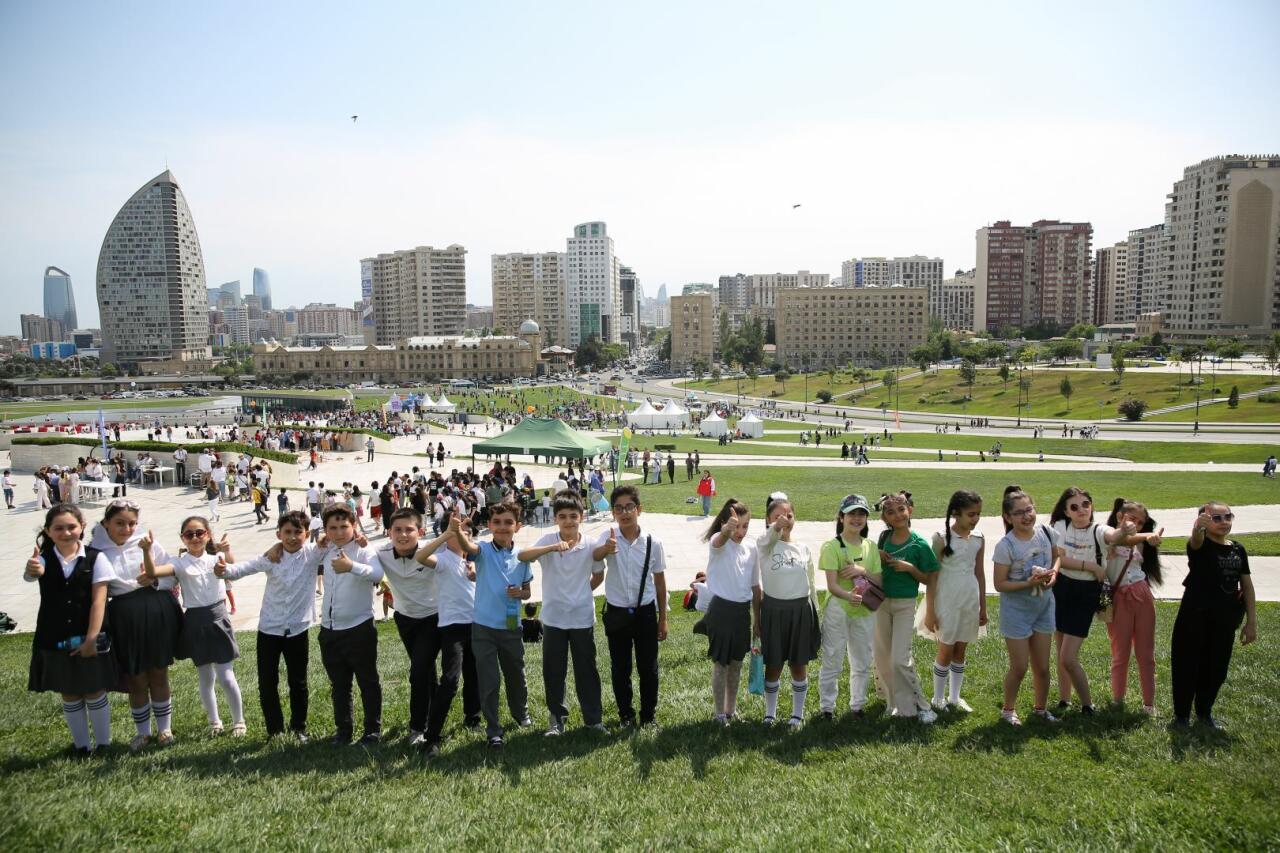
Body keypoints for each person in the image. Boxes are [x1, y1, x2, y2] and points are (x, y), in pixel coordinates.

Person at [1048, 486, 1158, 715]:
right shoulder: (1061, 527)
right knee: (1064, 650)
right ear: (1066, 511)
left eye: (1086, 504)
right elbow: (1059, 558)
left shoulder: (1100, 530)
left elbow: (1117, 537)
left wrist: (1133, 532)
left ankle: (1092, 705)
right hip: (1067, 590)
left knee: (1069, 656)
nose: (1081, 509)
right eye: (1074, 507)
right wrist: (1091, 566)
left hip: (1094, 593)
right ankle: (1067, 699)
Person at [24, 503, 118, 756]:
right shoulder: (42, 559)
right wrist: (33, 569)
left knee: (94, 689)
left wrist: (91, 639)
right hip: (54, 635)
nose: (66, 533)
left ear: (82, 527)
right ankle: (81, 746)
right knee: (69, 691)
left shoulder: (96, 558)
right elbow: (31, 573)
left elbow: (99, 601)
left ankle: (103, 744)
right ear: (48, 531)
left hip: (90, 634)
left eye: (71, 527)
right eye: (59, 528)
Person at [91, 499, 183, 750]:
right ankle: (143, 732)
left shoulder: (148, 543)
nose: (127, 529)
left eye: (132, 523)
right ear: (106, 523)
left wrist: (154, 579)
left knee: (159, 672)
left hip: (155, 609)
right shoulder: (96, 551)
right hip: (124, 616)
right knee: (136, 677)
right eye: (120, 523)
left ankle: (164, 729)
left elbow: (172, 574)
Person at [216, 510, 317, 741]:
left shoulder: (313, 554)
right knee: (267, 683)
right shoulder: (272, 557)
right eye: (287, 532)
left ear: (307, 533)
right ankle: (275, 730)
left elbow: (336, 539)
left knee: (298, 681)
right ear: (278, 534)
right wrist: (223, 569)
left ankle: (299, 728)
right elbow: (242, 569)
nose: (292, 537)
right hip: (269, 629)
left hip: (298, 630)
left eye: (298, 532)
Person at [139, 518, 245, 737]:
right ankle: (214, 721)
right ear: (183, 538)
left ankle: (239, 721)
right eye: (189, 534)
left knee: (226, 676)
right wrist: (147, 551)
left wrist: (227, 551)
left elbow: (231, 567)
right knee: (206, 678)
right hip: (195, 622)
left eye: (199, 533)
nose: (195, 538)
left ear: (208, 534)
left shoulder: (216, 558)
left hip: (219, 618)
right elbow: (153, 572)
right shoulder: (179, 563)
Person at [518, 490, 605, 736]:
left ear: (582, 517)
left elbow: (598, 575)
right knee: (554, 671)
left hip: (582, 617)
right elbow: (523, 556)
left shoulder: (591, 545)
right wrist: (552, 548)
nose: (569, 521)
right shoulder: (548, 540)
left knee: (587, 670)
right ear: (555, 519)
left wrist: (581, 592)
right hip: (554, 618)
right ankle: (557, 720)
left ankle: (593, 720)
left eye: (573, 516)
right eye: (563, 516)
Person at [1170, 502, 1258, 730]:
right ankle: (1181, 716)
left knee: (1217, 668)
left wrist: (1251, 622)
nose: (1223, 522)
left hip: (1224, 620)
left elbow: (1247, 586)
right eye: (1216, 518)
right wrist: (1198, 527)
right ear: (1204, 521)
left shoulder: (1238, 549)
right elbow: (1195, 541)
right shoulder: (1200, 546)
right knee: (1187, 665)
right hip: (1194, 617)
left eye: (1228, 516)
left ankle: (1204, 713)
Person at [457, 499, 532, 748]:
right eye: (497, 522)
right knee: (489, 681)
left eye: (508, 522)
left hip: (511, 627)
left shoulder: (522, 557)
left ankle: (521, 713)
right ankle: (493, 730)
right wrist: (457, 532)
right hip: (483, 628)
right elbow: (467, 546)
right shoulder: (482, 550)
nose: (502, 527)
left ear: (517, 526)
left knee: (516, 675)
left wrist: (520, 594)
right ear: (489, 525)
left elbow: (527, 592)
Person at [593, 485, 668, 728]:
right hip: (617, 612)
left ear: (639, 509)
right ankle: (626, 714)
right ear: (613, 512)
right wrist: (605, 549)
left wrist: (663, 618)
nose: (624, 512)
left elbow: (660, 582)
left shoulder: (653, 542)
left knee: (649, 668)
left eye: (629, 507)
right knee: (620, 668)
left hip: (645, 612)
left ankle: (648, 715)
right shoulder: (608, 537)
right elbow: (594, 556)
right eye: (619, 508)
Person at [308, 505, 384, 744]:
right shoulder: (325, 548)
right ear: (325, 529)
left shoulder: (363, 549)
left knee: (367, 681)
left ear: (354, 526)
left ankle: (372, 730)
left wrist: (351, 566)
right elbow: (300, 554)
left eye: (344, 527)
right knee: (339, 685)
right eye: (333, 528)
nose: (339, 532)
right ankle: (343, 730)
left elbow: (377, 574)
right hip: (329, 629)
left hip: (359, 627)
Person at [413, 509, 482, 756]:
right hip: (452, 628)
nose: (463, 535)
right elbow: (420, 556)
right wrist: (446, 534)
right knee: (450, 680)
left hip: (476, 625)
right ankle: (432, 736)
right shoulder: (443, 559)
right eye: (457, 532)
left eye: (467, 532)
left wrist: (475, 572)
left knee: (475, 676)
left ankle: (473, 718)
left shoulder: (473, 561)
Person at [992, 486, 1063, 725]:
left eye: (1029, 510)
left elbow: (1057, 556)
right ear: (1007, 517)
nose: (1026, 516)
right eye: (1019, 513)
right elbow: (1000, 584)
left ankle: (1040, 709)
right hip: (1017, 613)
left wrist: (1054, 573)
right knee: (1020, 667)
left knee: (1042, 667)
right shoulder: (1006, 546)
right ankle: (1008, 710)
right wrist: (1027, 583)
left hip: (1043, 608)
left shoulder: (1046, 532)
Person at [917, 490, 985, 712]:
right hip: (946, 601)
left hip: (969, 600)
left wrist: (983, 607)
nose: (975, 519)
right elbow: (932, 577)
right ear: (956, 513)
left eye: (978, 514)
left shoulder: (979, 538)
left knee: (961, 649)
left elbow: (979, 573)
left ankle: (955, 697)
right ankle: (938, 698)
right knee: (945, 650)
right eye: (971, 514)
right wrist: (930, 611)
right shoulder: (941, 539)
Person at [754, 492, 819, 728]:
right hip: (774, 611)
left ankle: (797, 714)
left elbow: (811, 583)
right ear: (768, 520)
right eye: (778, 516)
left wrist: (815, 612)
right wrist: (775, 528)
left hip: (800, 611)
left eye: (789, 516)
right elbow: (766, 539)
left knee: (798, 664)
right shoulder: (765, 545)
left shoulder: (803, 548)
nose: (785, 520)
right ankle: (770, 714)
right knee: (773, 665)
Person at [874, 491, 939, 723]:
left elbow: (930, 579)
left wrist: (910, 568)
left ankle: (922, 706)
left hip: (904, 604)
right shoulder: (884, 538)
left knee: (900, 659)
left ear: (909, 510)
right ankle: (895, 703)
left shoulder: (919, 544)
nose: (897, 515)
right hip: (881, 603)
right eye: (890, 512)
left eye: (901, 509)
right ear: (885, 518)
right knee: (883, 657)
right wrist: (878, 555)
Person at [818, 494, 879, 720]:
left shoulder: (870, 546)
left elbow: (880, 580)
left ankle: (858, 705)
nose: (857, 518)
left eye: (861, 514)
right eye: (851, 513)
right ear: (841, 517)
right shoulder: (832, 546)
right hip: (839, 608)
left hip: (864, 610)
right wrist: (848, 596)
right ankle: (827, 707)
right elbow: (832, 586)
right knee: (832, 658)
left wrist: (862, 571)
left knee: (862, 659)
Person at [701, 498, 760, 725]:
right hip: (721, 611)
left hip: (742, 614)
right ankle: (719, 714)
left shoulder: (751, 549)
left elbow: (755, 587)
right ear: (724, 524)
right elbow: (720, 539)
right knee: (721, 664)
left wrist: (757, 619)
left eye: (746, 526)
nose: (741, 532)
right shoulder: (719, 543)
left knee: (736, 664)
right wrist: (727, 530)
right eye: (737, 526)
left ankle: (730, 711)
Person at [1103, 498, 1163, 715]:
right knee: (1120, 653)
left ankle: (1149, 704)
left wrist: (1147, 537)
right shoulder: (1106, 535)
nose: (1136, 525)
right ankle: (1118, 700)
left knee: (1146, 654)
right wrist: (1147, 535)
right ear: (1119, 516)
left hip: (1141, 594)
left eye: (1140, 522)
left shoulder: (1140, 541)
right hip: (1119, 599)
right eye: (1132, 519)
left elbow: (1133, 540)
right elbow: (1124, 539)